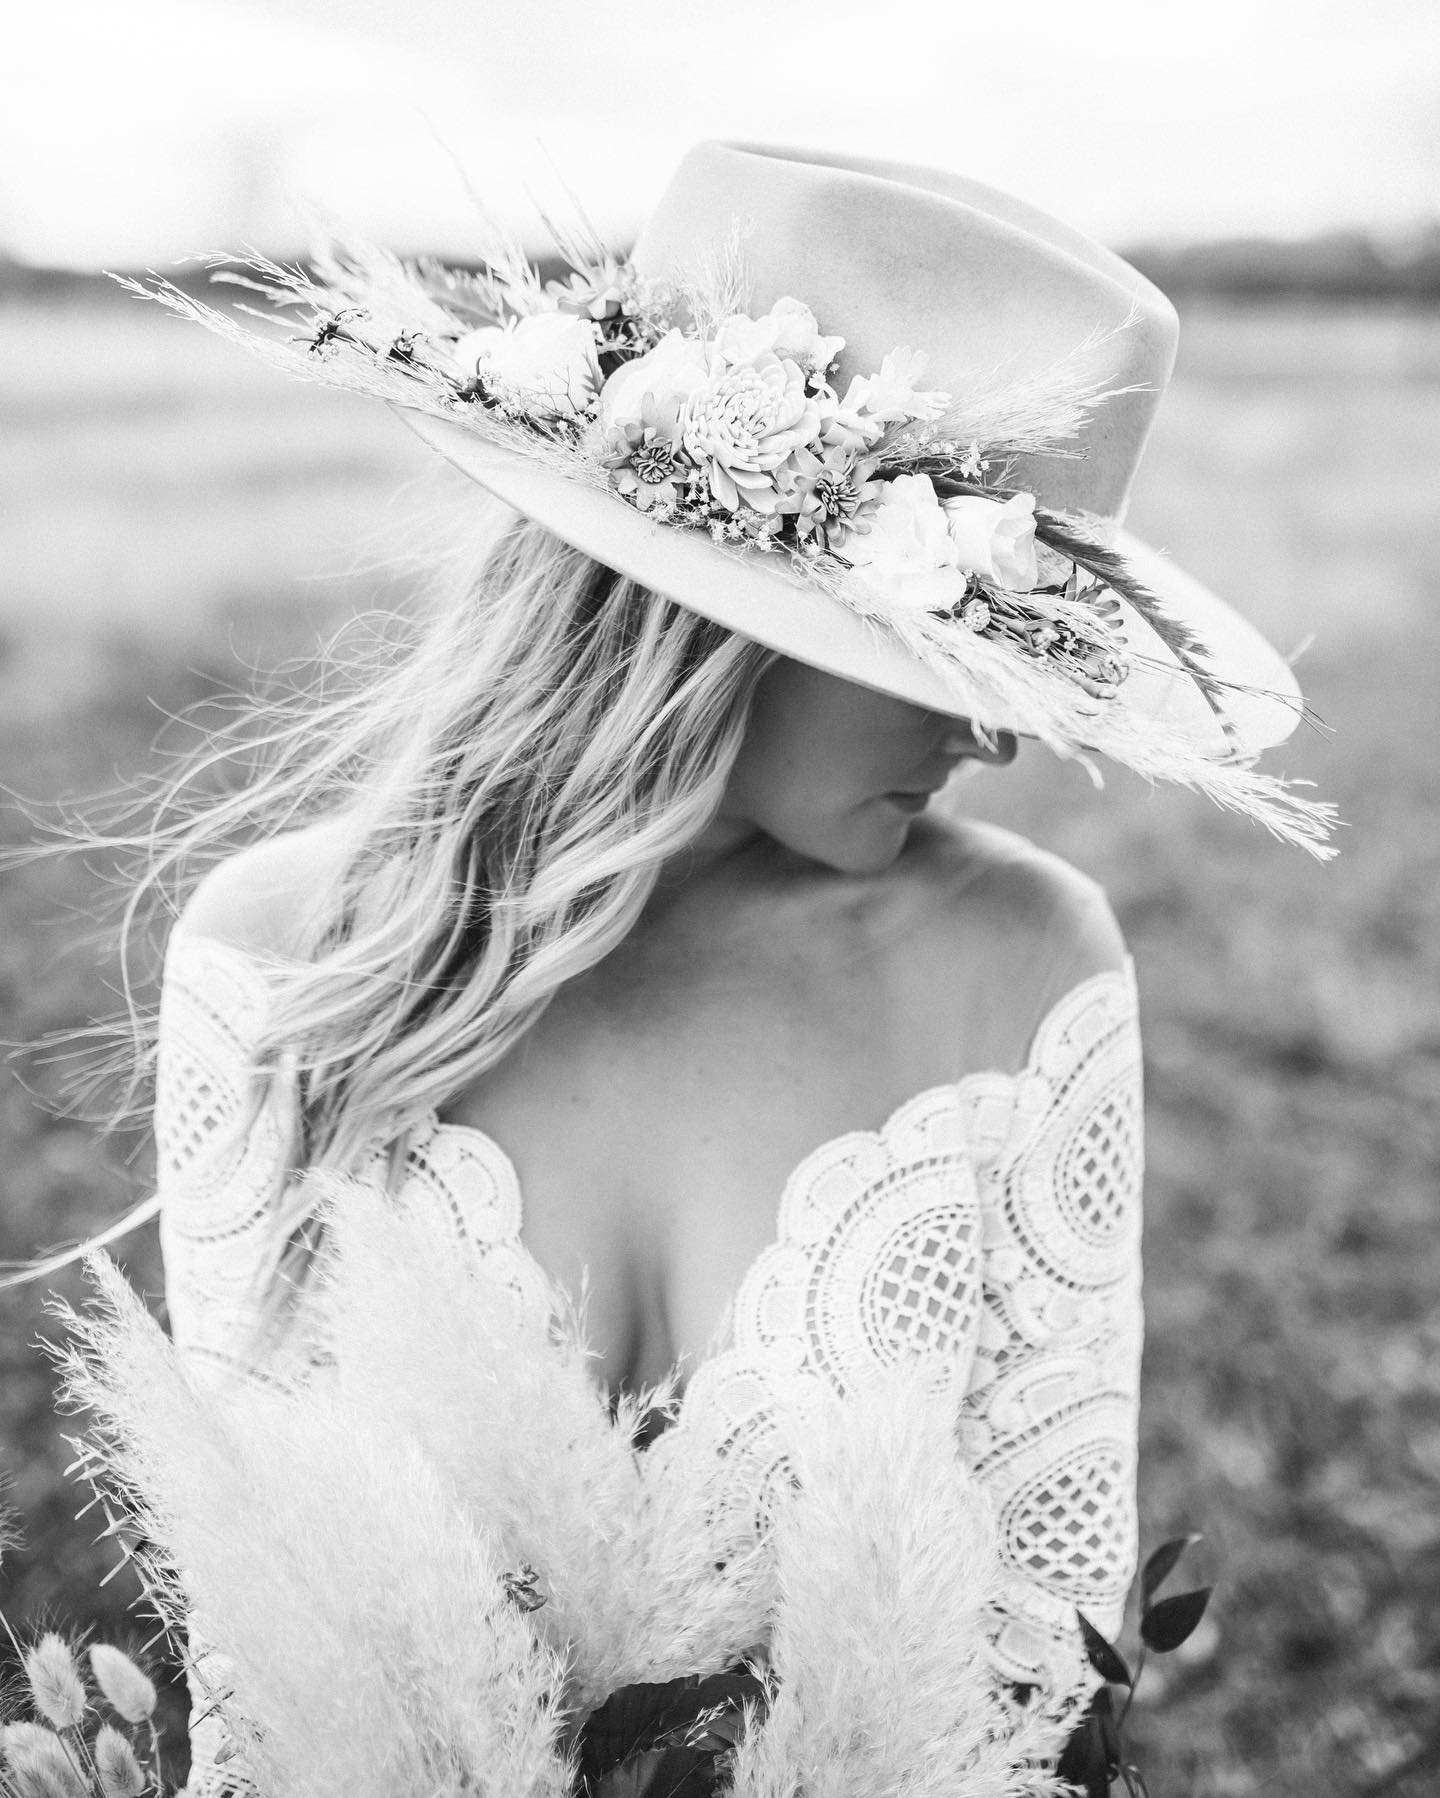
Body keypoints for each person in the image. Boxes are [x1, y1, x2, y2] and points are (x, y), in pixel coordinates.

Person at [110, 143, 1330, 1793]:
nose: (995, 734)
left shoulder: (1023, 973)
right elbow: (260, 1687)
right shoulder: (284, 971)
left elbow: (1053, 1685)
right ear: (710, 614)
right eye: (944, 647)